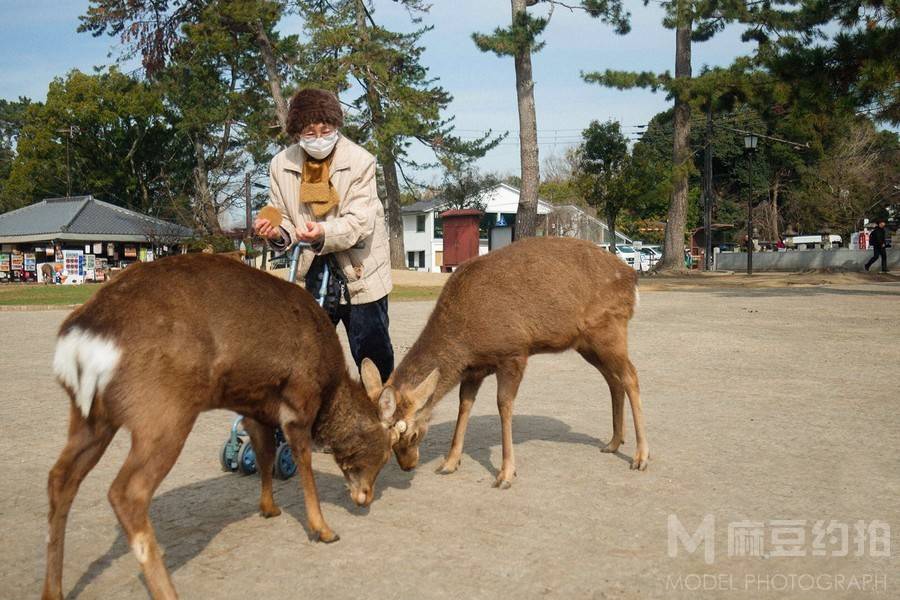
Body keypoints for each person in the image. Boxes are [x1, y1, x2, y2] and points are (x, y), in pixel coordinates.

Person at [254, 88, 394, 382]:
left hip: (361, 274)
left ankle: (384, 423)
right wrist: (276, 231)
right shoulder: (281, 165)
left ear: (336, 126)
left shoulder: (360, 161)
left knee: (374, 361)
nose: (318, 138)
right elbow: (282, 216)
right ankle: (300, 426)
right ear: (297, 133)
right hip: (313, 275)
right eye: (309, 131)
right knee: (306, 361)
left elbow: (359, 223)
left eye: (325, 130)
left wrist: (322, 232)